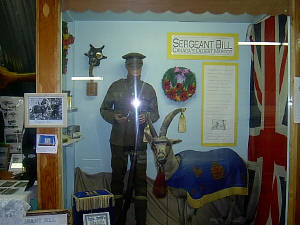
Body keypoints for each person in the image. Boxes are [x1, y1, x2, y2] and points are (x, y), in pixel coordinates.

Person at [100, 53, 159, 225]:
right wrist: (114, 117)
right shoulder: (115, 86)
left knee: (140, 181)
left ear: (141, 67)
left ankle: (141, 221)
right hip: (118, 139)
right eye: (132, 66)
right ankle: (118, 220)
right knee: (117, 179)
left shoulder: (148, 89)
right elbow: (104, 109)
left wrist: (146, 117)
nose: (135, 69)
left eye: (138, 66)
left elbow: (155, 113)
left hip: (139, 141)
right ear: (126, 67)